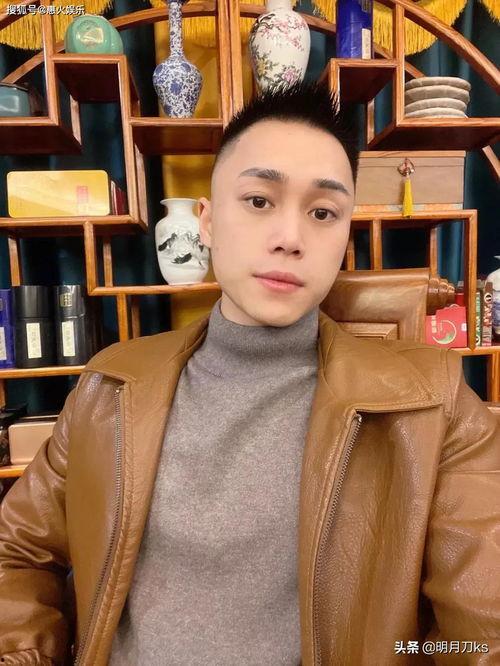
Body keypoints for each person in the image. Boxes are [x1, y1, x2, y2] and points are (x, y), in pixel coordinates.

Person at [0, 80, 499, 666]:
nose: (290, 239)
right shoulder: (110, 384)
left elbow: (481, 633)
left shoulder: (434, 404)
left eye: (323, 212)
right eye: (259, 201)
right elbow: (18, 552)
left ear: (345, 232)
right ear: (207, 222)